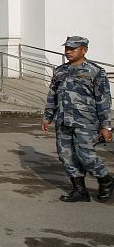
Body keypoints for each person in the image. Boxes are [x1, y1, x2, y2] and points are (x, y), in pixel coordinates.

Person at [41, 36, 113, 202]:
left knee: (85, 154)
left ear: (84, 50)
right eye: (66, 48)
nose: (68, 52)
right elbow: (52, 94)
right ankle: (79, 190)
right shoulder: (60, 71)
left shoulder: (95, 71)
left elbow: (104, 100)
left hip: (86, 122)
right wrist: (47, 116)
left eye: (72, 49)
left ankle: (105, 180)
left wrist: (106, 126)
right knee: (65, 155)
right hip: (63, 120)